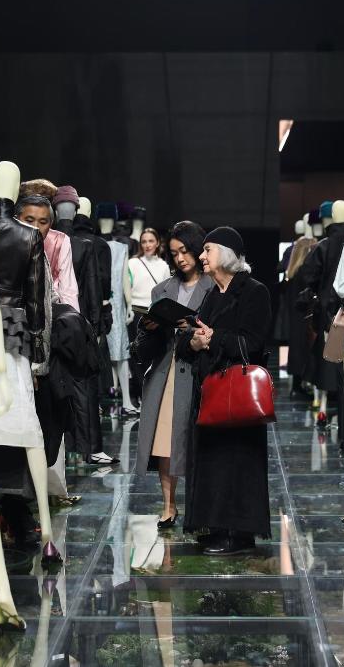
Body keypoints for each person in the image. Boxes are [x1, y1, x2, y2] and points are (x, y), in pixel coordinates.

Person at [176, 226, 272, 555]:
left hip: (237, 393)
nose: (201, 256)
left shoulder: (254, 291)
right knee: (213, 460)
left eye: (208, 250)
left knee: (236, 460)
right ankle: (217, 525)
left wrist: (213, 338)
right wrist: (194, 341)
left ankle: (238, 533)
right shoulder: (212, 294)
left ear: (227, 254)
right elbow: (194, 337)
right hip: (211, 392)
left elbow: (253, 344)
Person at [131, 221, 214, 528]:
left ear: (198, 249)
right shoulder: (162, 289)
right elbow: (146, 343)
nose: (180, 258)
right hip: (167, 371)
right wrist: (150, 327)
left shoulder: (213, 287)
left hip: (199, 373)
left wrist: (192, 327)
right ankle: (169, 505)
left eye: (185, 251)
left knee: (198, 441)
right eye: (175, 253)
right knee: (165, 441)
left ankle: (200, 506)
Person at [126, 227, 170, 405]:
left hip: (155, 314)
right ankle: (139, 392)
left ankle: (150, 392)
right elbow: (127, 288)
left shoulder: (163, 266)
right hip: (136, 312)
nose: (147, 244)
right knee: (136, 353)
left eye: (151, 241)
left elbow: (166, 292)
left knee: (153, 354)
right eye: (144, 241)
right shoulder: (133, 263)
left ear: (157, 243)